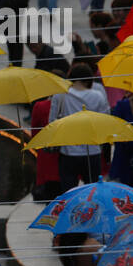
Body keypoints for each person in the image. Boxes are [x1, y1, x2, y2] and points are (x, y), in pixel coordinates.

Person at [49, 60, 109, 191]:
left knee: (68, 193)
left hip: (68, 152)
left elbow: (52, 123)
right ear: (88, 81)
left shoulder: (60, 95)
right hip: (93, 151)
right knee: (93, 192)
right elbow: (105, 122)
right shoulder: (98, 96)